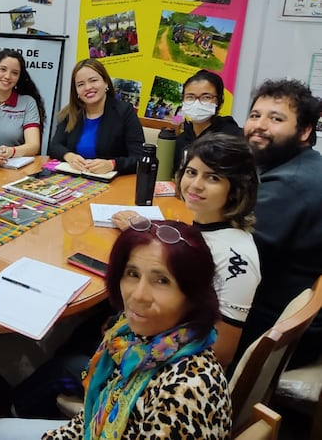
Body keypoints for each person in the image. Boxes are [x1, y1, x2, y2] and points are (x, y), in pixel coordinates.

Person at [0, 220, 232, 440]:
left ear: (193, 294)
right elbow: (93, 416)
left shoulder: (184, 393)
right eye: (132, 274)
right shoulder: (135, 341)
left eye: (161, 280)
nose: (138, 295)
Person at [112, 132, 261, 368]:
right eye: (191, 172)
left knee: (60, 366)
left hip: (169, 370)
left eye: (212, 178)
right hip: (153, 332)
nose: (195, 185)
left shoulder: (237, 258)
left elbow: (221, 353)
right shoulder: (204, 228)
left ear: (235, 190)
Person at [236, 78, 322, 369]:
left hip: (274, 331)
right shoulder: (301, 164)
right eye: (255, 115)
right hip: (282, 308)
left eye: (276, 118)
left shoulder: (291, 184)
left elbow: (232, 258)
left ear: (304, 131)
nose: (259, 125)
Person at [49, 59, 143, 174]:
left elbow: (140, 158)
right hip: (75, 178)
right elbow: (54, 146)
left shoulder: (124, 111)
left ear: (106, 83)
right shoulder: (70, 112)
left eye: (93, 80)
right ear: (76, 91)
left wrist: (112, 164)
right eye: (80, 84)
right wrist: (69, 156)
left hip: (113, 182)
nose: (88, 87)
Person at [174, 69, 241, 169]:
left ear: (219, 101)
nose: (197, 103)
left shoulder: (232, 137)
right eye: (190, 97)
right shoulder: (180, 141)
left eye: (206, 97)